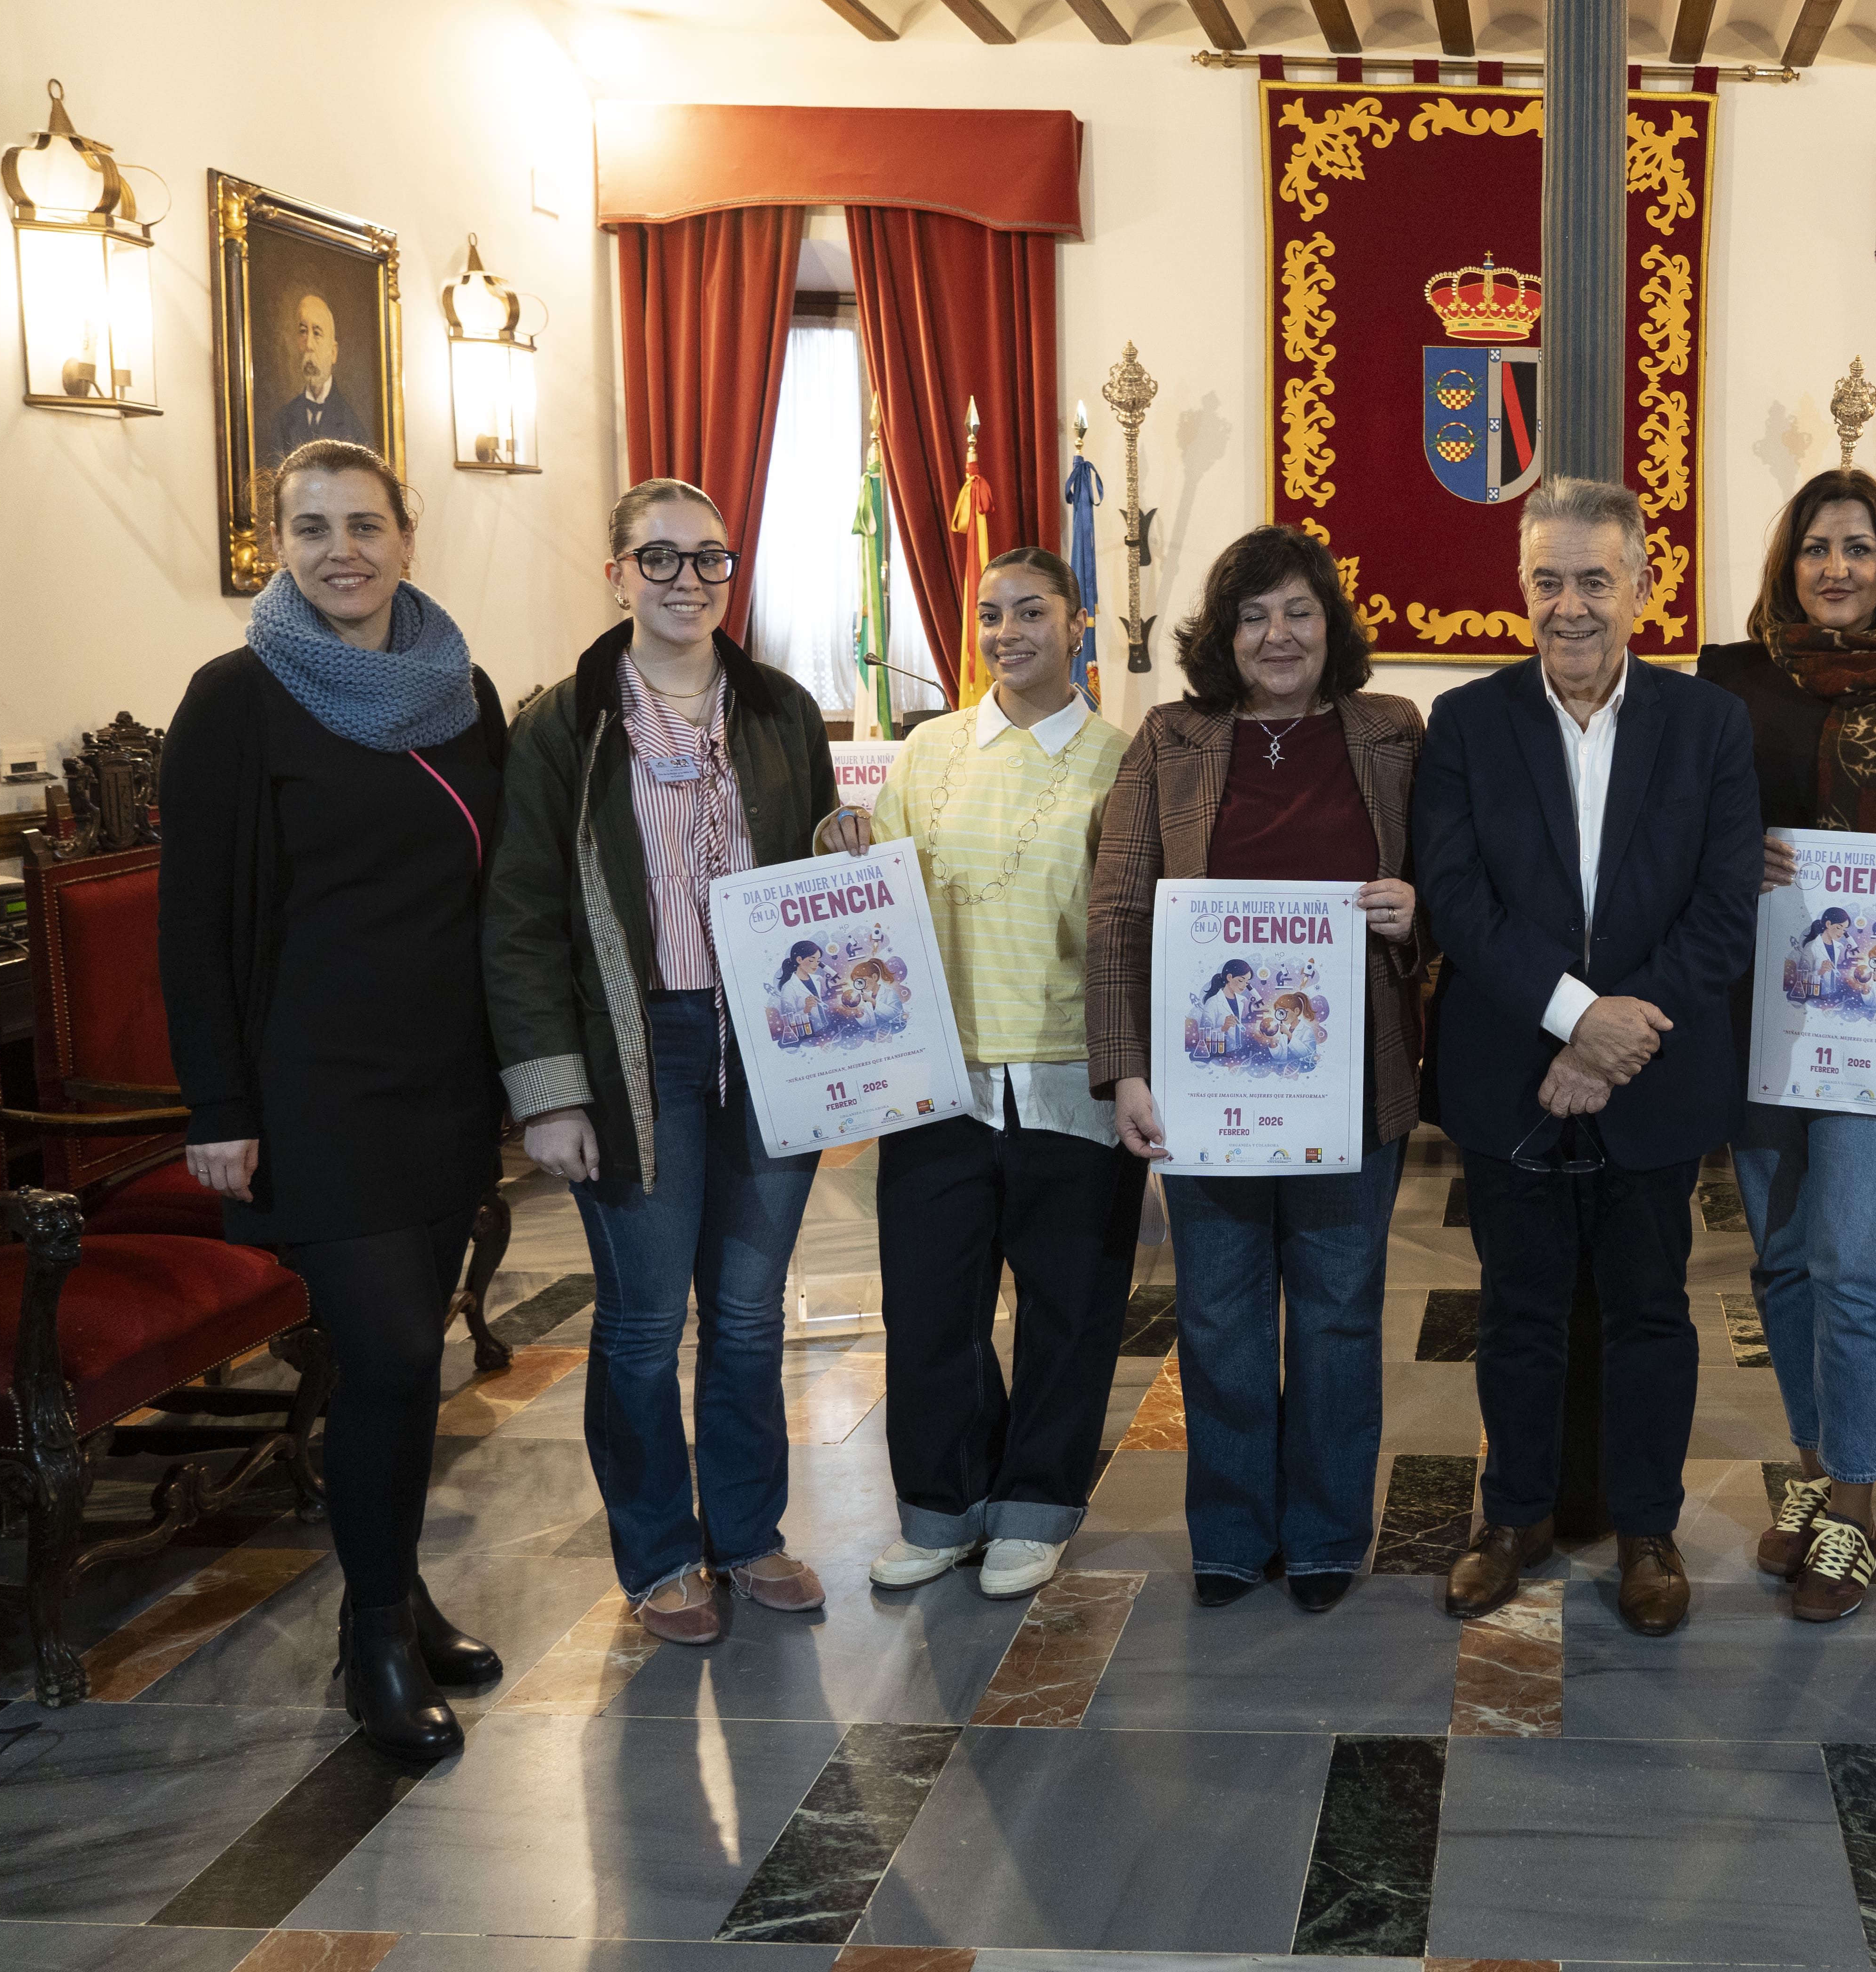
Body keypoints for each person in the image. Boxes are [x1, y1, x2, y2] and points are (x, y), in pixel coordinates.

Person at [158, 438, 510, 1765]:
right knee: (395, 1356)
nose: (341, 550)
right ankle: (370, 1638)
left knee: (407, 1379)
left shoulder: (463, 692)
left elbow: (496, 890)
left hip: (441, 1080)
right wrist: (218, 1107)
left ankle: (404, 1592)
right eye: (312, 528)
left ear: (408, 539)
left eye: (365, 524)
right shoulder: (233, 699)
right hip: (312, 1091)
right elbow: (192, 930)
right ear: (277, 547)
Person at [482, 479, 863, 1646]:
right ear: (616, 573)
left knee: (748, 1314)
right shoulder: (563, 722)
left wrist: (840, 842)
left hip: (768, 1049)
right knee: (645, 1321)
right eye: (659, 558)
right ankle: (657, 1554)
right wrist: (549, 1093)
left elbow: (812, 866)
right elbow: (521, 913)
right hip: (634, 1047)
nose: (686, 581)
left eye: (709, 560)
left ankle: (746, 1535)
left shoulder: (784, 709)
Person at [1415, 475, 1759, 1636]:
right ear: (1522, 588)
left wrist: (1612, 1042)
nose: (1570, 605)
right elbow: (1457, 902)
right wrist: (1575, 1017)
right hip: (1509, 1066)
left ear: (1643, 590)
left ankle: (1647, 1528)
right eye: (1548, 580)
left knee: (1651, 1311)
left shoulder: (1709, 724)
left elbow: (1722, 911)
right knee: (1515, 1310)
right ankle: (1511, 1516)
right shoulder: (1465, 724)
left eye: (1594, 580)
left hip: (1656, 1077)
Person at [1090, 526, 1426, 1612]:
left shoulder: (1391, 732)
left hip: (1347, 1084)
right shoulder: (1170, 740)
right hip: (1207, 1092)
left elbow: (1451, 882)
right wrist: (1128, 1072)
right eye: (1253, 615)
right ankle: (1232, 1531)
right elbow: (1119, 911)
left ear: (1331, 624)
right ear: (1222, 635)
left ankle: (1326, 1531)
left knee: (1335, 1313)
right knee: (1222, 1316)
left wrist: (1413, 911)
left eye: (1298, 611)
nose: (1277, 635)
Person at [1696, 469, 1876, 1622]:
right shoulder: (1734, 678)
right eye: (1816, 547)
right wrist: (1740, 851)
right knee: (1776, 1260)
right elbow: (1688, 824)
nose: (1835, 568)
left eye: (1857, 549)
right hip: (1764, 1018)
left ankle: (1857, 1505)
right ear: (1789, 562)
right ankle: (1815, 1470)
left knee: (1858, 1258)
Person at [842, 547, 1144, 1602]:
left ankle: (1036, 1506)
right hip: (938, 1077)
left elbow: (1132, 930)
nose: (1008, 631)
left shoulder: (1122, 759)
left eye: (1031, 611)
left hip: (1069, 1072)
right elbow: (874, 892)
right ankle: (942, 1504)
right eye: (989, 614)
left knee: (1069, 1306)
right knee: (932, 1307)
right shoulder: (927, 752)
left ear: (1079, 622)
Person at [259, 291, 373, 463]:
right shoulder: (282, 420)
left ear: (333, 353)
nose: (309, 345)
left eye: (317, 334)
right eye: (303, 332)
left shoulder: (352, 423)